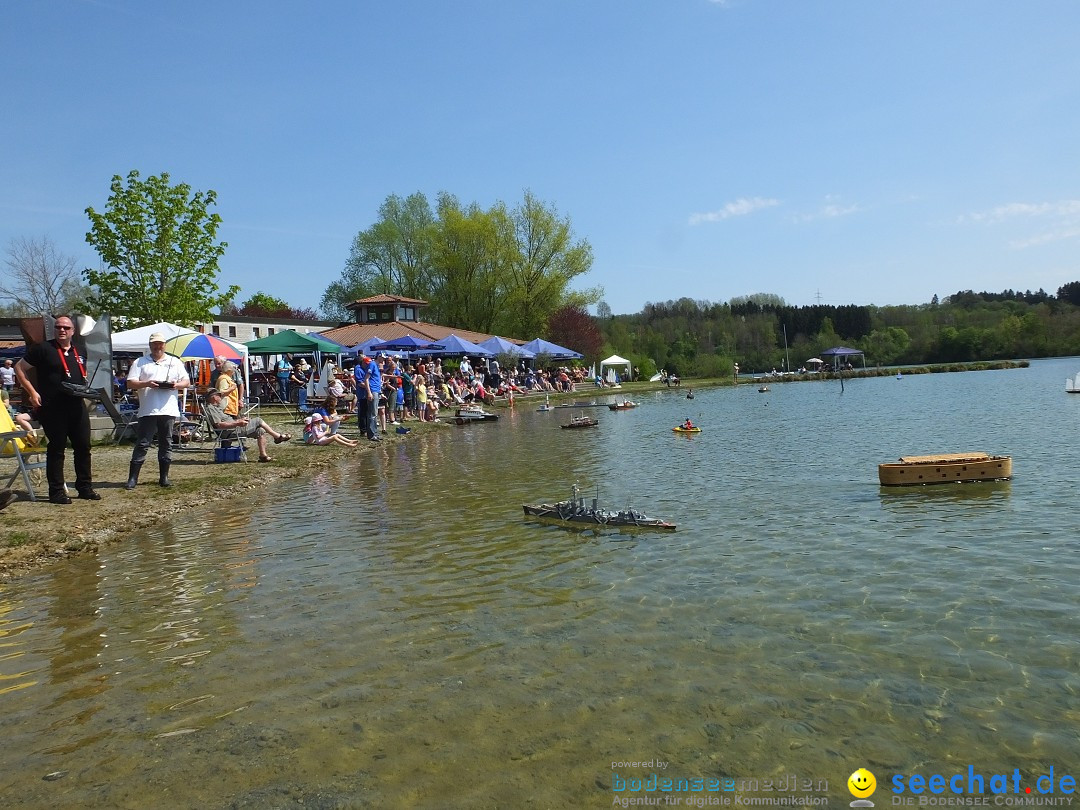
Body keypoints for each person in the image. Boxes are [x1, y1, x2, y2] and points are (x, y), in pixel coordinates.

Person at [14, 315, 99, 504]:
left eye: (66, 328)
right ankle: (56, 492)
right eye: (59, 327)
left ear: (73, 331)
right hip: (53, 406)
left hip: (77, 405)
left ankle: (84, 487)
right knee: (57, 448)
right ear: (55, 330)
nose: (62, 330)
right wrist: (32, 392)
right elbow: (19, 368)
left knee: (83, 446)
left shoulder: (80, 350)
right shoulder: (44, 349)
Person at [124, 331, 191, 489]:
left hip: (168, 409)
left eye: (160, 344)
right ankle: (132, 479)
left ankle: (164, 477)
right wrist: (147, 384)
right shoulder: (140, 362)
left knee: (166, 442)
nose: (157, 346)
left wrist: (176, 385)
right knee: (143, 443)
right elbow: (130, 383)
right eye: (154, 344)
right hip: (148, 409)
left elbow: (186, 381)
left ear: (165, 345)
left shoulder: (174, 361)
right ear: (150, 345)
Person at [203, 388, 292, 462]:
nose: (221, 397)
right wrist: (238, 423)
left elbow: (226, 421)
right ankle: (277, 436)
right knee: (258, 420)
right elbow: (219, 425)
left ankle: (263, 456)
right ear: (214, 397)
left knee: (260, 430)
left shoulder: (215, 408)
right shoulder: (211, 409)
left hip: (233, 429)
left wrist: (239, 420)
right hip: (230, 432)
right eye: (219, 396)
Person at [356, 353, 382, 440]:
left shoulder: (375, 365)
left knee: (374, 413)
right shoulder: (371, 365)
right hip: (373, 390)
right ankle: (371, 434)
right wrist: (369, 392)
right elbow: (366, 379)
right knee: (372, 413)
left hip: (376, 390)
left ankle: (374, 432)